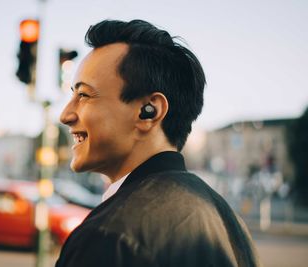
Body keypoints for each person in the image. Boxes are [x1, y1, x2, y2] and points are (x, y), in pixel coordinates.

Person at [57, 19, 260, 267]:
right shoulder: (230, 223)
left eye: (84, 95)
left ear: (149, 111)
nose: (65, 115)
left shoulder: (110, 235)